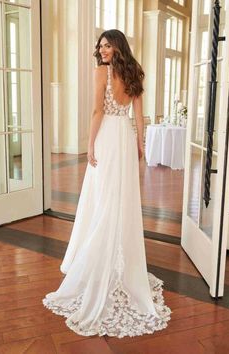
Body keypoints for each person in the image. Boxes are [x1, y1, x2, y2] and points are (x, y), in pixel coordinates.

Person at [42, 29, 172, 338]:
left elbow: (98, 110)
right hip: (124, 138)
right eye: (100, 45)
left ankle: (99, 257)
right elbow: (139, 115)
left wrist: (89, 145)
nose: (102, 50)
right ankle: (119, 258)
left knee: (103, 198)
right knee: (120, 199)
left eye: (107, 45)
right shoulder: (135, 72)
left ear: (117, 47)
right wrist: (140, 145)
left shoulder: (103, 72)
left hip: (107, 137)